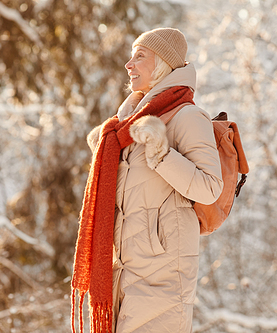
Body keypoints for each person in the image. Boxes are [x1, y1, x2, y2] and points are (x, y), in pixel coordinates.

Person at [71, 28, 223, 333]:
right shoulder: (124, 129)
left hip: (164, 275)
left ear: (164, 63)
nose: (129, 64)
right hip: (123, 271)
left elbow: (209, 188)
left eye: (140, 56)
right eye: (131, 56)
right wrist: (106, 152)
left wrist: (160, 152)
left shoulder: (188, 117)